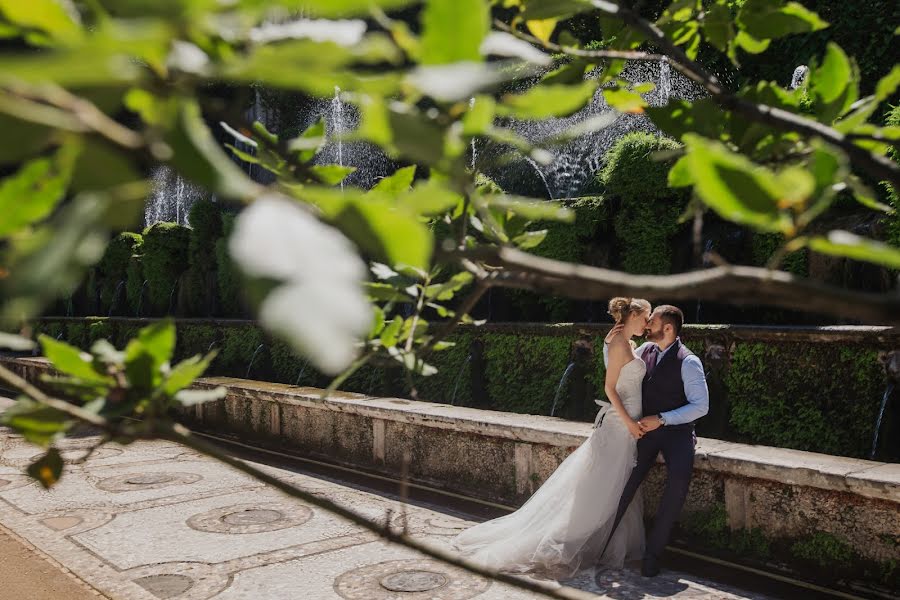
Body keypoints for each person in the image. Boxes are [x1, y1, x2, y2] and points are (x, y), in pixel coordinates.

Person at [452, 298, 652, 577]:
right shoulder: (619, 342)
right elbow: (609, 388)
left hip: (627, 426)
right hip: (620, 425)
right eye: (646, 317)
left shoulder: (626, 341)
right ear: (633, 315)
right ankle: (567, 540)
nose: (648, 322)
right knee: (601, 487)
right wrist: (630, 422)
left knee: (615, 486)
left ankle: (606, 541)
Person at [601, 304, 709, 577]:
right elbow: (617, 365)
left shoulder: (689, 361)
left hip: (677, 433)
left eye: (653, 323)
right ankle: (603, 543)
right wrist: (609, 342)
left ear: (669, 329)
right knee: (626, 480)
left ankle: (653, 554)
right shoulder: (644, 352)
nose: (647, 326)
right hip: (644, 431)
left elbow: (701, 406)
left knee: (678, 484)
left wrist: (663, 418)